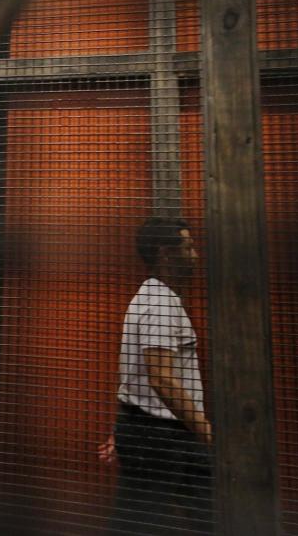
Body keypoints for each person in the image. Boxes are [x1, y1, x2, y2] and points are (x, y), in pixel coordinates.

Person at [103, 216, 213, 534]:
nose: (195, 255)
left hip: (162, 430)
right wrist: (205, 429)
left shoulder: (158, 297)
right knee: (137, 521)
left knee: (210, 510)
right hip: (161, 434)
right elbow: (161, 377)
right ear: (166, 253)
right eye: (189, 247)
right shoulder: (161, 304)